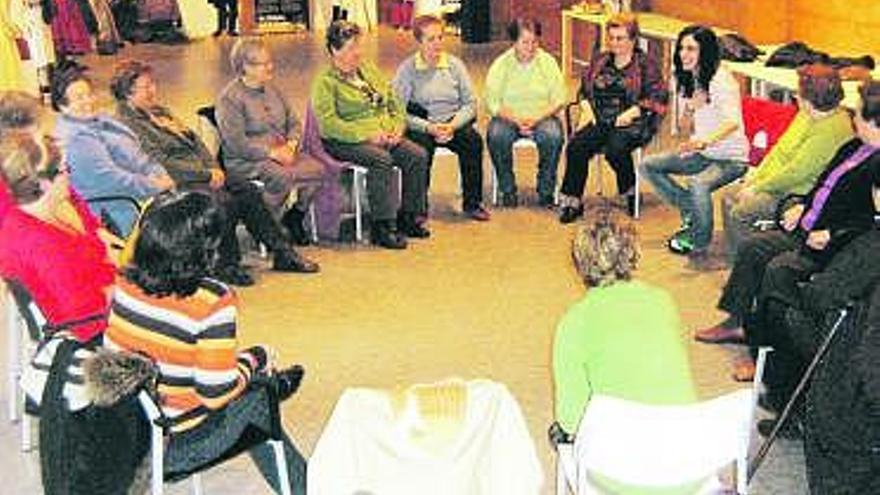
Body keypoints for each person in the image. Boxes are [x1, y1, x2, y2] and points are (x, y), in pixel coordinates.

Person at [104, 191, 308, 494]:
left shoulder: (124, 281)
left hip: (124, 433)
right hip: (174, 444)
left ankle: (272, 383)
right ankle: (308, 485)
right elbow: (215, 394)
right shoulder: (212, 300)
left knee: (243, 379)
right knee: (259, 397)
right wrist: (256, 358)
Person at [695, 80, 880, 391]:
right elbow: (823, 185)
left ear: (876, 122)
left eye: (859, 113)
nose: (854, 118)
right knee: (754, 249)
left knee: (778, 270)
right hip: (806, 225)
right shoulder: (854, 146)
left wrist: (832, 233)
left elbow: (869, 222)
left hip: (830, 247)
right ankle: (737, 322)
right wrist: (800, 206)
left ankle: (765, 356)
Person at [111, 59, 318, 283]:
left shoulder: (159, 111)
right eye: (146, 86)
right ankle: (225, 264)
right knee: (223, 202)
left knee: (247, 190)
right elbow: (161, 161)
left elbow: (195, 141)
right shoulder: (127, 123)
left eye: (153, 84)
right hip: (174, 180)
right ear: (127, 91)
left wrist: (213, 167)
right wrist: (205, 175)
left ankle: (282, 252)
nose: (153, 90)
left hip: (202, 171)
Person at [549, 208, 697, 494]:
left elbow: (571, 418)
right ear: (635, 253)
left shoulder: (574, 322)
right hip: (690, 465)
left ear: (579, 263)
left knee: (558, 433)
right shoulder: (662, 300)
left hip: (621, 475)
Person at [0, 92, 116, 344]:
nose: (70, 176)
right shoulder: (39, 239)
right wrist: (131, 291)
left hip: (102, 291)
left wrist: (103, 243)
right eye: (65, 170)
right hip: (96, 330)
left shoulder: (36, 211)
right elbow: (81, 312)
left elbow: (83, 223)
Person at [312, 20, 430, 250]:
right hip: (343, 140)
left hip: (383, 133)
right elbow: (328, 125)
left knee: (417, 155)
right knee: (381, 160)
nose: (357, 53)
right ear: (334, 50)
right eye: (350, 48)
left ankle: (408, 216)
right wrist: (366, 135)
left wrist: (397, 128)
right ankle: (382, 225)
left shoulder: (368, 70)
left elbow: (393, 102)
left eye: (358, 47)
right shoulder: (325, 83)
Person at [639, 25, 749, 262]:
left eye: (691, 49)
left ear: (706, 52)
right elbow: (682, 127)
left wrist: (702, 142)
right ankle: (690, 209)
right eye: (681, 48)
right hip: (703, 151)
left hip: (731, 158)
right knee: (648, 165)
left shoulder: (721, 81)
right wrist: (690, 108)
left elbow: (733, 123)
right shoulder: (687, 77)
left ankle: (698, 240)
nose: (683, 54)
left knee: (697, 183)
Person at [721, 64, 853, 258]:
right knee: (728, 197)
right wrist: (755, 177)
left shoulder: (831, 130)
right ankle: (744, 258)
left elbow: (796, 173)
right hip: (775, 180)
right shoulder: (807, 114)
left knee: (739, 213)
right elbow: (779, 149)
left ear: (810, 100)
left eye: (799, 92)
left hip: (795, 192)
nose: (795, 96)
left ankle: (746, 264)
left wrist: (758, 188)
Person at [217, 37, 328, 247]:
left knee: (319, 170)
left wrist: (291, 145)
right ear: (244, 67)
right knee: (281, 177)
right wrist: (273, 154)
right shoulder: (229, 99)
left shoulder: (274, 90)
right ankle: (265, 226)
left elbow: (294, 124)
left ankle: (295, 215)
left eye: (270, 61)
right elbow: (236, 143)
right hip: (248, 160)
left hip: (283, 152)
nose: (270, 67)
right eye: (263, 63)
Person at [558, 13, 667, 222]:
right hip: (601, 118)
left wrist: (634, 111)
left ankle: (629, 188)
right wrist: (586, 105)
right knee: (576, 146)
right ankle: (573, 201)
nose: (614, 43)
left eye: (620, 38)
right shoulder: (600, 60)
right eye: (611, 38)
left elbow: (658, 96)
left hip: (633, 122)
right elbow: (584, 89)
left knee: (615, 149)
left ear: (633, 40)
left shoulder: (645, 65)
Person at [51, 61, 175, 236]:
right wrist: (155, 185)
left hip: (144, 187)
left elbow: (135, 153)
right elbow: (111, 180)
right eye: (79, 97)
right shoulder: (76, 140)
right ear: (62, 105)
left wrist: (156, 172)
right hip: (118, 209)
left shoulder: (93, 119)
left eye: (89, 94)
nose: (88, 101)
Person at [392, 14, 490, 222]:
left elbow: (471, 104)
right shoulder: (407, 70)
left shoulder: (455, 66)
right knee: (420, 151)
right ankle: (418, 208)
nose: (437, 44)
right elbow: (398, 111)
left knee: (473, 142)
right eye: (431, 39)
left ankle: (472, 203)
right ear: (419, 42)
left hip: (452, 122)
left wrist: (452, 126)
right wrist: (429, 128)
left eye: (440, 38)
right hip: (423, 124)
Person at [485, 18, 567, 208]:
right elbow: (493, 102)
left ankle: (546, 190)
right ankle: (507, 189)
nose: (531, 47)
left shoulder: (547, 62)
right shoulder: (501, 64)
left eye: (535, 42)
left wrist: (536, 119)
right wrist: (516, 120)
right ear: (514, 42)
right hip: (509, 117)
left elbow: (558, 99)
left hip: (542, 116)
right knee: (496, 135)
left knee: (553, 136)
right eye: (525, 42)